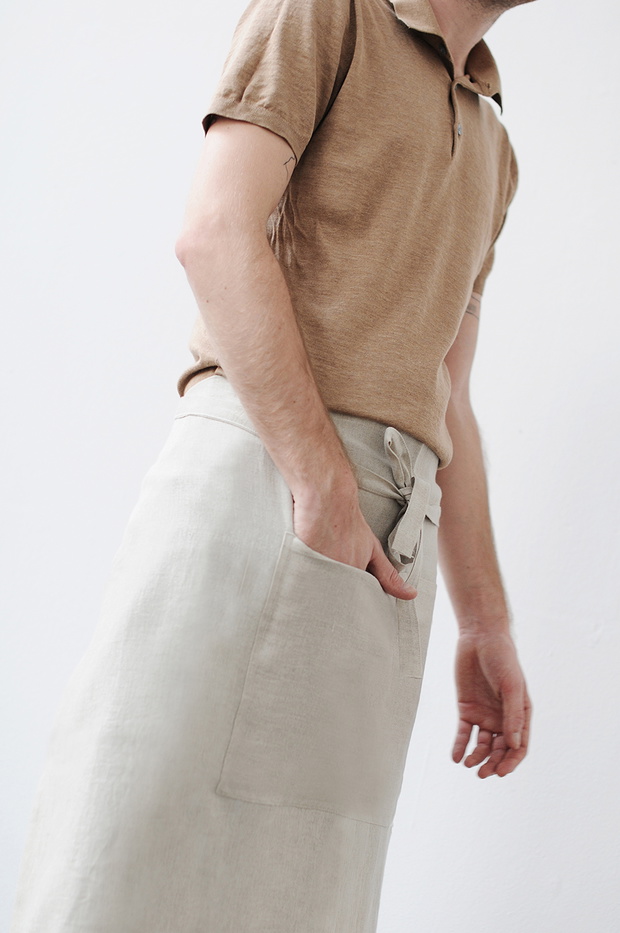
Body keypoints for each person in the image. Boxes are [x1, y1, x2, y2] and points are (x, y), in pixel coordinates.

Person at [10, 0, 532, 930]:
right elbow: (214, 231)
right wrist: (323, 483)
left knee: (308, 899)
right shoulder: (329, 11)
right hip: (265, 483)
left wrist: (486, 622)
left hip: (384, 551)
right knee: (119, 875)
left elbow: (448, 395)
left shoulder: (495, 144)